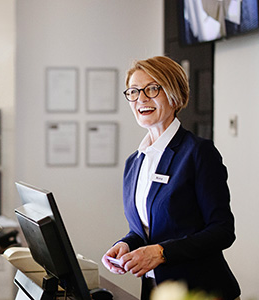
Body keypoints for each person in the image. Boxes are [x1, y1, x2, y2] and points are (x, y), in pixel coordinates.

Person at [101, 56, 240, 300]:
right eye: (133, 92)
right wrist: (126, 244)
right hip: (157, 291)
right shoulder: (135, 162)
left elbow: (222, 230)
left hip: (202, 292)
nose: (141, 98)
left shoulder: (198, 153)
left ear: (174, 94)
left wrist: (161, 253)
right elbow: (144, 231)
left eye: (152, 89)